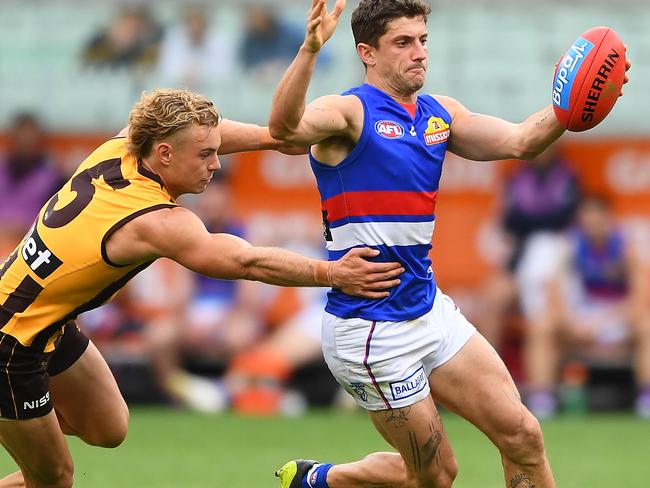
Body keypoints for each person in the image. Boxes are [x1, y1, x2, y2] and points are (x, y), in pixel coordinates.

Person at [268, 1, 629, 487]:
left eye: (422, 40)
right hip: (371, 332)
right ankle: (322, 481)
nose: (419, 53)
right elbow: (284, 128)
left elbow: (522, 140)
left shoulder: (440, 115)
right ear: (367, 53)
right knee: (436, 475)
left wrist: (574, 102)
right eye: (403, 43)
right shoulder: (348, 113)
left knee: (523, 434)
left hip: (428, 311)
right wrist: (310, 50)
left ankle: (317, 480)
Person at [0, 88, 404, 488]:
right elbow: (246, 261)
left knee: (108, 427)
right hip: (11, 341)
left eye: (216, 150)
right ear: (166, 155)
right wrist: (332, 273)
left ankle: (20, 423)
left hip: (43, 322)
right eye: (205, 155)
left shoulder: (124, 144)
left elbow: (205, 132)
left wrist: (275, 139)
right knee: (54, 478)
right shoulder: (155, 221)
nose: (215, 163)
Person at [523, 194, 650, 419]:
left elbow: (640, 297)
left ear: (609, 218)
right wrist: (570, 322)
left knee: (647, 325)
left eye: (598, 221)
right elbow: (552, 290)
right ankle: (542, 397)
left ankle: (646, 395)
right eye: (587, 221)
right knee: (542, 324)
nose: (593, 227)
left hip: (616, 315)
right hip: (583, 316)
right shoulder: (570, 245)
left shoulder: (625, 247)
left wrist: (606, 321)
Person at [478, 144, 581, 349]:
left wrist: (531, 221)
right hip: (521, 252)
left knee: (545, 313)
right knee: (492, 298)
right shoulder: (517, 177)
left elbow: (564, 219)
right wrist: (539, 220)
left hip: (554, 255)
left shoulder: (568, 176)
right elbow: (509, 220)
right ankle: (488, 367)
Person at [0, 113, 65, 249]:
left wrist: (20, 230)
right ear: (13, 140)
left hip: (27, 249)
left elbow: (55, 225)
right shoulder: (2, 170)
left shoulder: (54, 179)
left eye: (30, 140)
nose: (26, 144)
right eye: (21, 139)